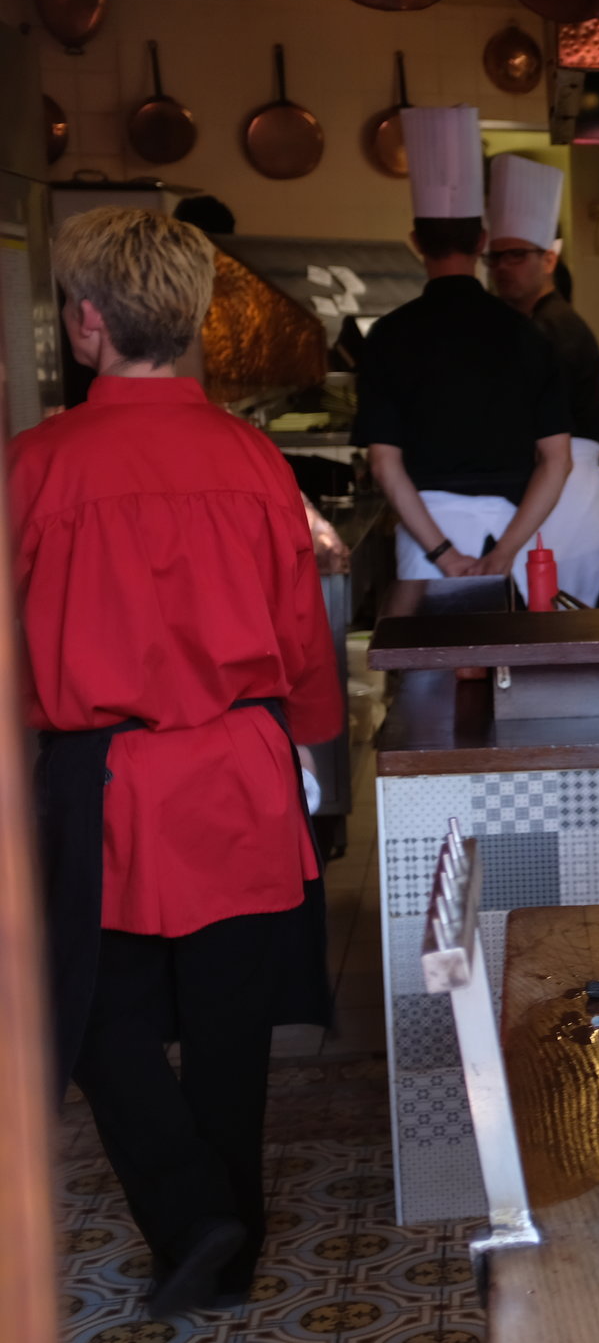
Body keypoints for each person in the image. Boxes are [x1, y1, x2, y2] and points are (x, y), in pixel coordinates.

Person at [12, 207, 342, 1320]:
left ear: (89, 324)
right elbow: (303, 638)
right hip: (242, 761)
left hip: (98, 774)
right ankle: (229, 1242)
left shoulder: (34, 468)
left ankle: (191, 1210)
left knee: (83, 1003)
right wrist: (314, 754)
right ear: (195, 322)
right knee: (227, 1018)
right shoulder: (255, 459)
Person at [354, 106, 571, 616]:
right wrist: (504, 552)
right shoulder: (530, 336)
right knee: (506, 683)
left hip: (423, 541)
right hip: (508, 537)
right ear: (481, 243)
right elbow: (555, 462)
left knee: (424, 685)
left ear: (414, 242)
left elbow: (384, 465)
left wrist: (444, 554)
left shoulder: (388, 335)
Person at [486, 152, 599, 605]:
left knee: (554, 622)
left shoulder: (554, 330)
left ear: (548, 258)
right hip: (555, 493)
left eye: (517, 256)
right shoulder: (532, 326)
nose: (503, 267)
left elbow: (552, 451)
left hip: (562, 497)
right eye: (495, 258)